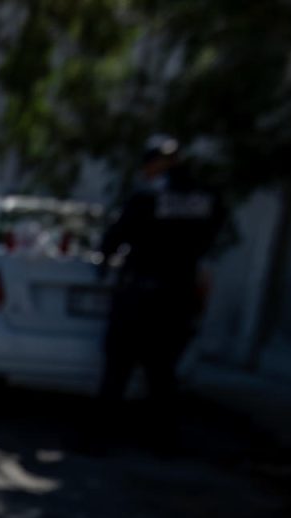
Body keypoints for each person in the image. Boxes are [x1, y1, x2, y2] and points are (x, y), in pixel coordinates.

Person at [93, 135, 225, 445]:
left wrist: (105, 262)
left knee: (118, 369)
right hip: (177, 298)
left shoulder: (147, 197)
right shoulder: (205, 199)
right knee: (162, 373)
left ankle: (99, 438)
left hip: (139, 296)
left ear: (154, 165)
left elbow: (114, 239)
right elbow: (211, 237)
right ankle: (163, 441)